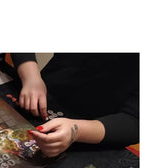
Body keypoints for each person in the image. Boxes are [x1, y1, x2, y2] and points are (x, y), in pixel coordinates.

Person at [11, 53, 139, 157]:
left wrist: (76, 131)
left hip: (98, 133)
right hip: (43, 97)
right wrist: (31, 78)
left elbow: (136, 122)